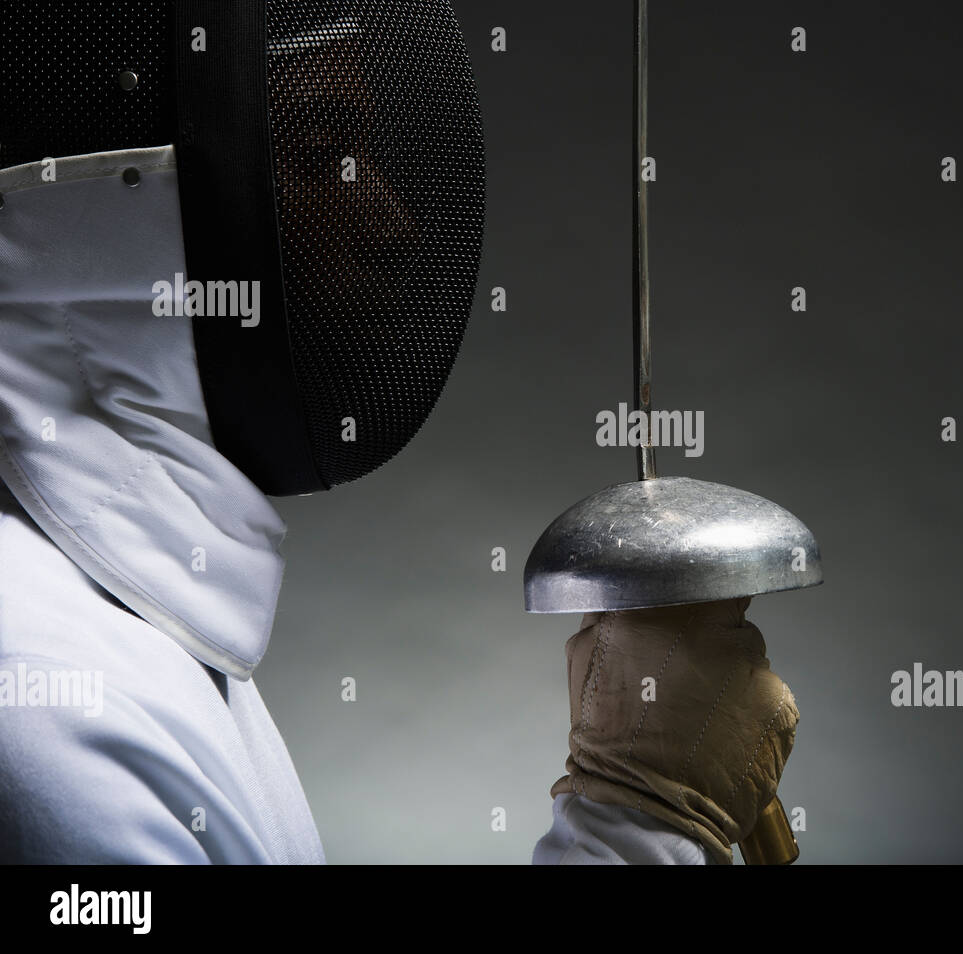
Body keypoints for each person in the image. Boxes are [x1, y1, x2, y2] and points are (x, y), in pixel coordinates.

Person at [0, 0, 796, 865]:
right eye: (321, 159)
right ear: (128, 214)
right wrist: (641, 820)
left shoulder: (133, 611)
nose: (389, 223)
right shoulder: (54, 705)